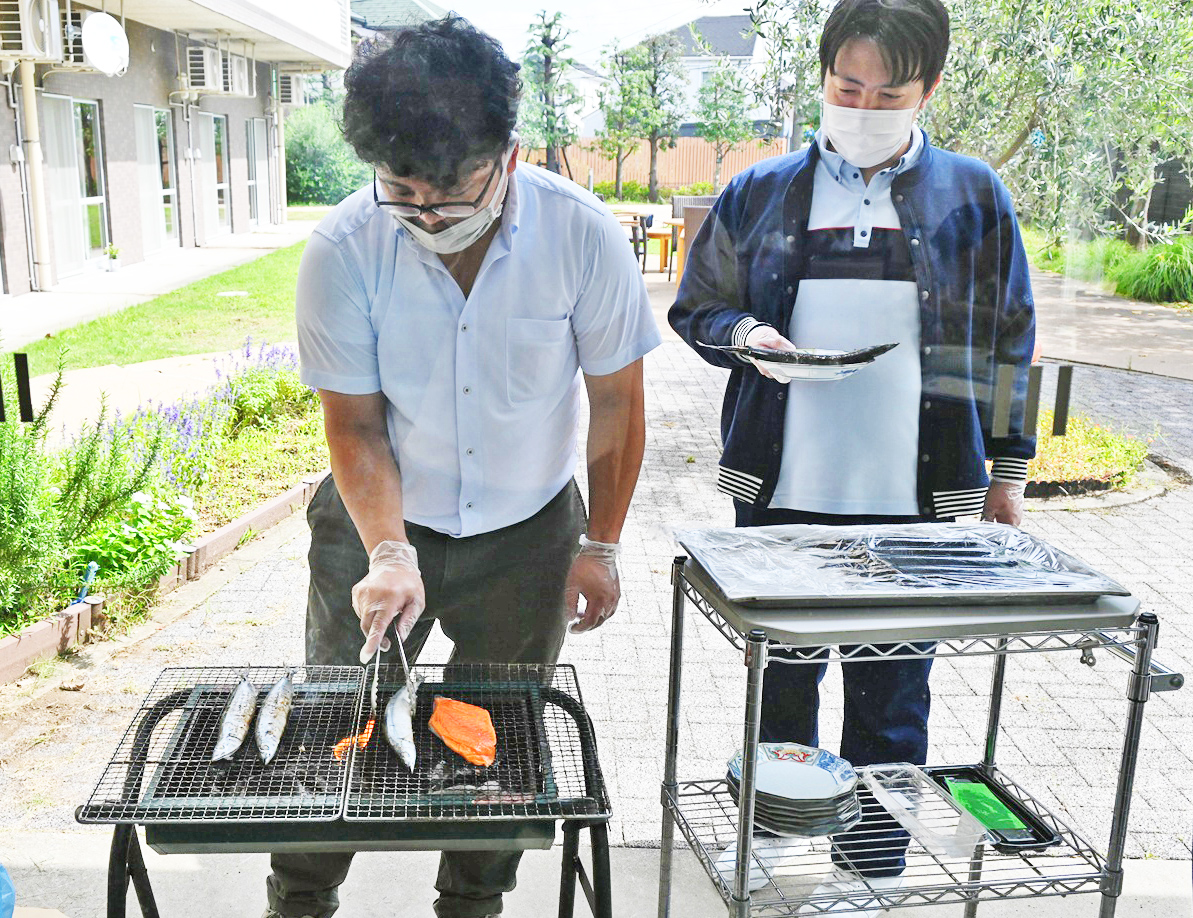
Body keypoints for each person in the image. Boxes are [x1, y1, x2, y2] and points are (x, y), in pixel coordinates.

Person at [268, 17, 660, 918]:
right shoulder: (344, 247)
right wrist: (388, 553)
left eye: (451, 192)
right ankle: (297, 899)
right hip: (373, 525)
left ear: (508, 158)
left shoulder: (582, 235)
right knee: (338, 715)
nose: (429, 215)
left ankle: (472, 905)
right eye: (403, 192)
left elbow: (616, 406)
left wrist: (601, 541)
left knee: (503, 733)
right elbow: (356, 427)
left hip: (527, 531)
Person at [669, 0, 1034, 910]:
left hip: (915, 500)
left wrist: (1007, 472)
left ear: (929, 89)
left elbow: (1008, 337)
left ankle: (872, 874)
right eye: (846, 86)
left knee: (892, 694)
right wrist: (749, 332)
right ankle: (774, 863)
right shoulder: (760, 191)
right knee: (781, 686)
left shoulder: (973, 194)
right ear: (822, 77)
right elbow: (696, 307)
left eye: (888, 91)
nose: (863, 105)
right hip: (783, 489)